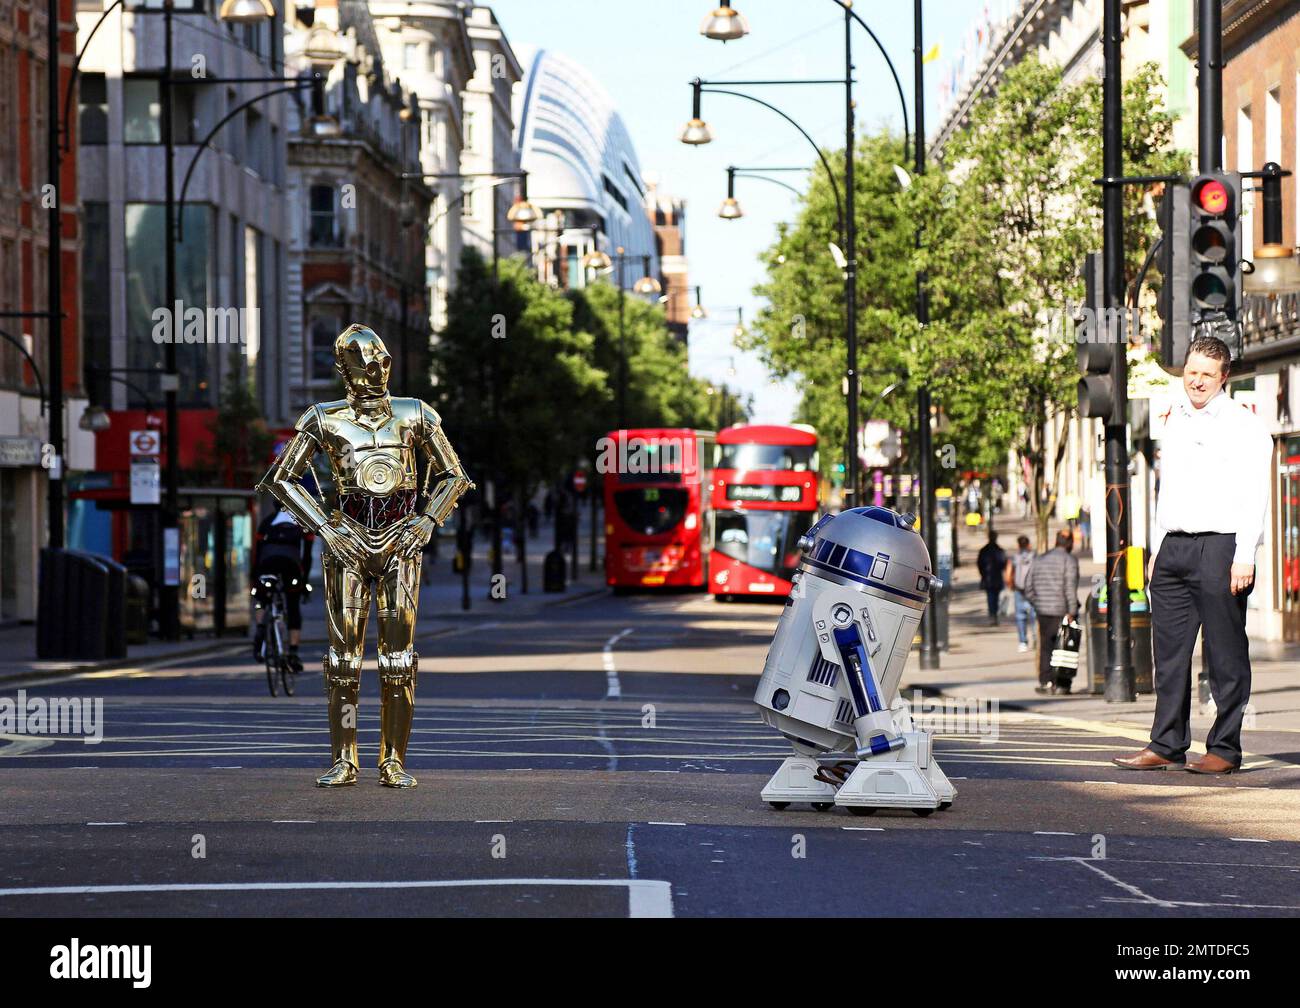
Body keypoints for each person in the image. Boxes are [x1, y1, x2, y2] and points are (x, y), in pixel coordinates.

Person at [1114, 336, 1272, 775]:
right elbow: (1171, 488)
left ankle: (1224, 749)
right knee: (1168, 656)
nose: (1197, 381)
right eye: (1191, 371)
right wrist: (1158, 545)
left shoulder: (1245, 426)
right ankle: (1166, 744)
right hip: (1174, 549)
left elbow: (1256, 494)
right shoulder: (1175, 419)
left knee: (1225, 656)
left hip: (1222, 547)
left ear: (1223, 377)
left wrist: (1245, 555)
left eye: (1206, 373)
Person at [252, 502, 315, 674]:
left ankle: (260, 628)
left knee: (262, 598)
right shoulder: (303, 522)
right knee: (293, 606)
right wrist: (304, 582)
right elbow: (307, 556)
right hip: (291, 567)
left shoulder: (267, 521)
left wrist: (256, 578)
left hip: (267, 564)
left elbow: (257, 552)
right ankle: (293, 653)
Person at [1024, 530, 1079, 694]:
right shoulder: (1069, 560)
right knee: (1064, 648)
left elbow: (1028, 586)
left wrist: (1037, 603)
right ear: (1069, 543)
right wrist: (1071, 611)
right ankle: (1061, 683)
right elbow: (1070, 588)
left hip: (1043, 611)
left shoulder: (1039, 559)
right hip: (1062, 611)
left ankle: (1046, 681)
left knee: (1046, 646)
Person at [1005, 534, 1036, 653]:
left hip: (1019, 590)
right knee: (1034, 615)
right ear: (1028, 544)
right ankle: (1035, 637)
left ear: (1018, 545)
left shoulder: (1014, 557)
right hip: (1033, 590)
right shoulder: (1034, 556)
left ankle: (1023, 642)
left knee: (1020, 617)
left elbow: (1008, 574)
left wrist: (1011, 585)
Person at [976, 531, 1006, 627]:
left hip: (989, 577)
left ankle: (993, 615)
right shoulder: (998, 550)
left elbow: (979, 564)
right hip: (993, 577)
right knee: (994, 598)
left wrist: (983, 574)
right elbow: (1003, 563)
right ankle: (993, 615)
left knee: (991, 598)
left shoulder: (985, 550)